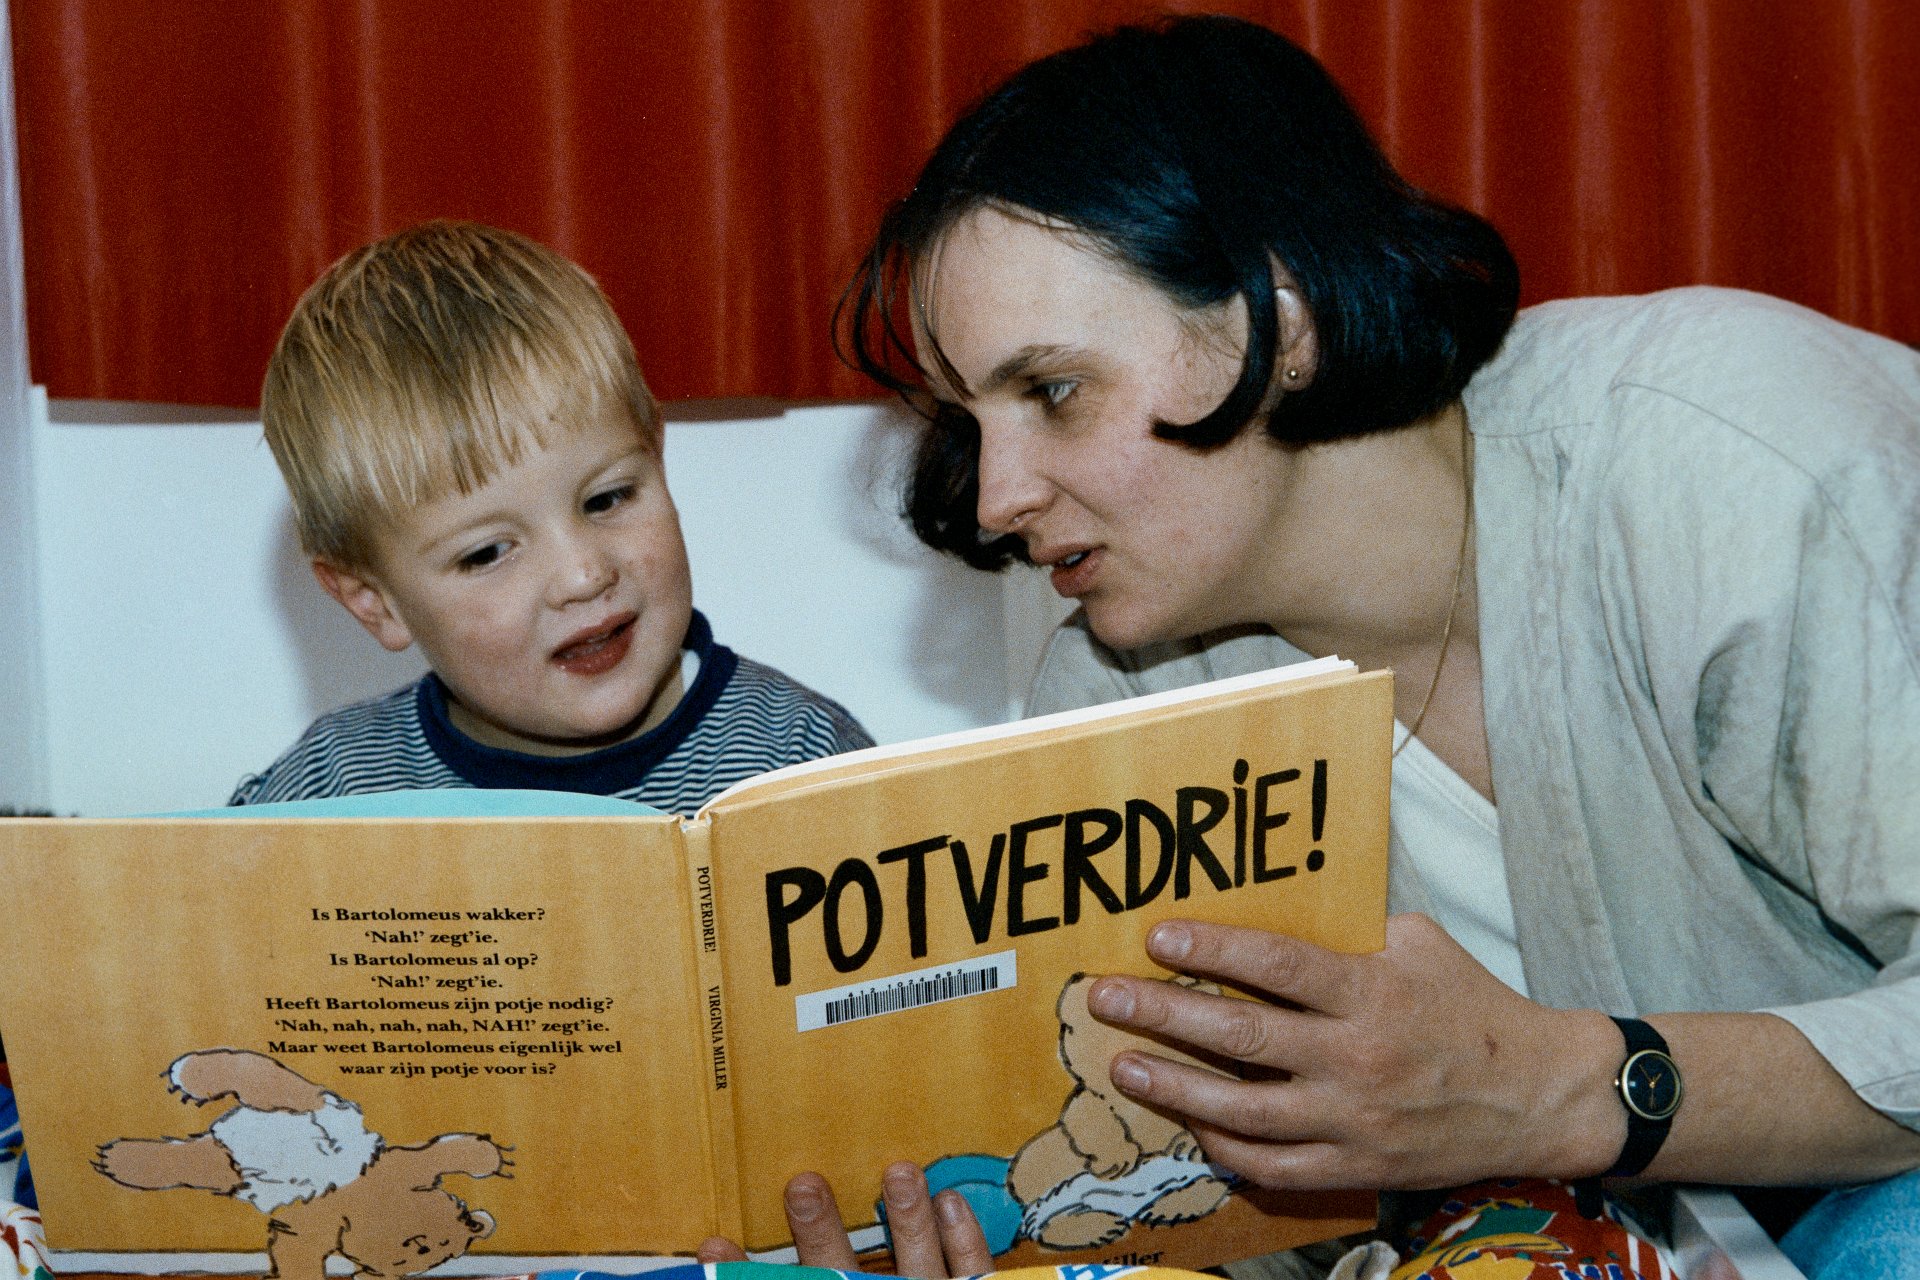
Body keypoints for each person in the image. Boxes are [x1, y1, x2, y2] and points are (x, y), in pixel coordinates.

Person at [734, 13, 1920, 1279]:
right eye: (971, 420)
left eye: (1055, 391)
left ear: (1280, 319)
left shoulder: (1727, 467)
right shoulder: (1122, 698)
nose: (994, 497)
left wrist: (1562, 1088)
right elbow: (1254, 1218)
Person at [231, 221, 872, 811]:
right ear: (374, 601)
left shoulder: (806, 762)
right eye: (487, 552)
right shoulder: (326, 799)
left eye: (607, 499)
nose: (583, 576)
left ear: (657, 454)